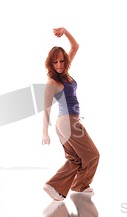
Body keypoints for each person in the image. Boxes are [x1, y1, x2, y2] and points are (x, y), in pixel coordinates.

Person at [42, 27, 100, 201]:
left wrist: (65, 31)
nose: (59, 65)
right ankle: (58, 184)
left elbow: (75, 46)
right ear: (50, 64)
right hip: (67, 122)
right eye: (55, 62)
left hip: (67, 122)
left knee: (75, 159)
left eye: (61, 61)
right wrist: (44, 132)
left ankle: (75, 186)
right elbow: (46, 108)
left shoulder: (65, 72)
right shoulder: (53, 81)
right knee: (93, 154)